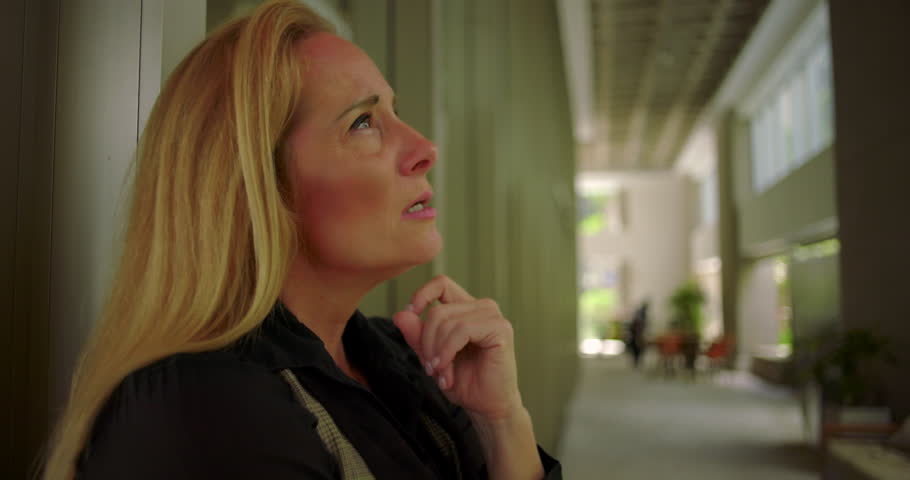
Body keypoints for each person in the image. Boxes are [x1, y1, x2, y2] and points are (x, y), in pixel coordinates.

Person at [41, 2, 560, 479]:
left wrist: (502, 421)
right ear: (256, 189)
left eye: (394, 112)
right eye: (363, 122)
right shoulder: (204, 406)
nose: (425, 149)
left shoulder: (402, 355)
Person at [626, 300, 649, 368]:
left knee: (638, 349)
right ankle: (636, 361)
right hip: (636, 335)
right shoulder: (640, 316)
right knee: (636, 349)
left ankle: (637, 362)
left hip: (637, 334)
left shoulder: (641, 315)